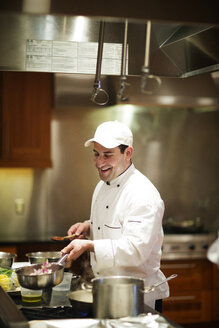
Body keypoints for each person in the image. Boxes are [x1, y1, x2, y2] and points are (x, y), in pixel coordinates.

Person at [61, 120, 169, 311]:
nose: (100, 162)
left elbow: (135, 250)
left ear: (128, 153)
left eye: (108, 155)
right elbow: (115, 220)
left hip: (137, 296)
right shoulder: (103, 185)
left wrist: (89, 245)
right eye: (96, 154)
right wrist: (89, 225)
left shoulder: (143, 194)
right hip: (106, 289)